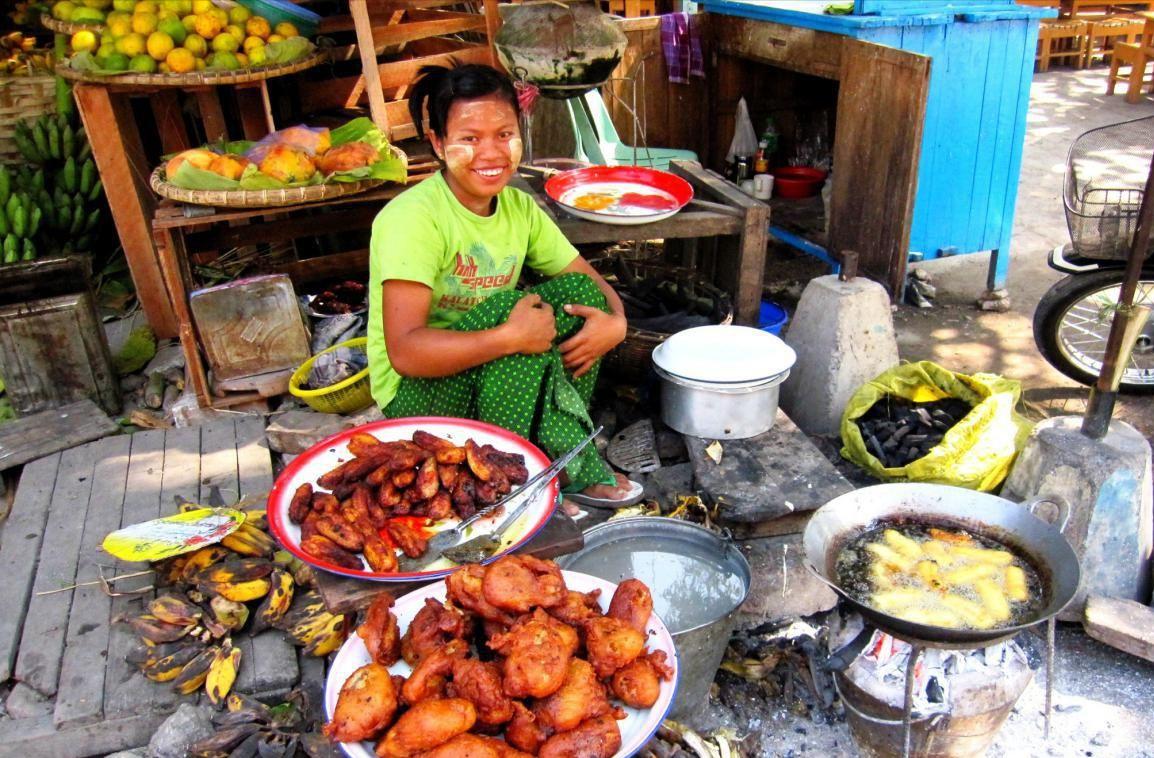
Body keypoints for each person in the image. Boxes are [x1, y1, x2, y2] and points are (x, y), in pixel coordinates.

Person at [366, 62, 642, 507]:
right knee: (514, 312)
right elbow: (405, 352)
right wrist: (508, 336)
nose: (491, 153)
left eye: (504, 134)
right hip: (416, 397)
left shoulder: (519, 208)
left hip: (489, 372)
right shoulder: (411, 220)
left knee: (577, 299)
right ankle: (512, 483)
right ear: (438, 144)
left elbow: (589, 284)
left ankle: (552, 454)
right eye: (469, 139)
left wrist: (617, 324)